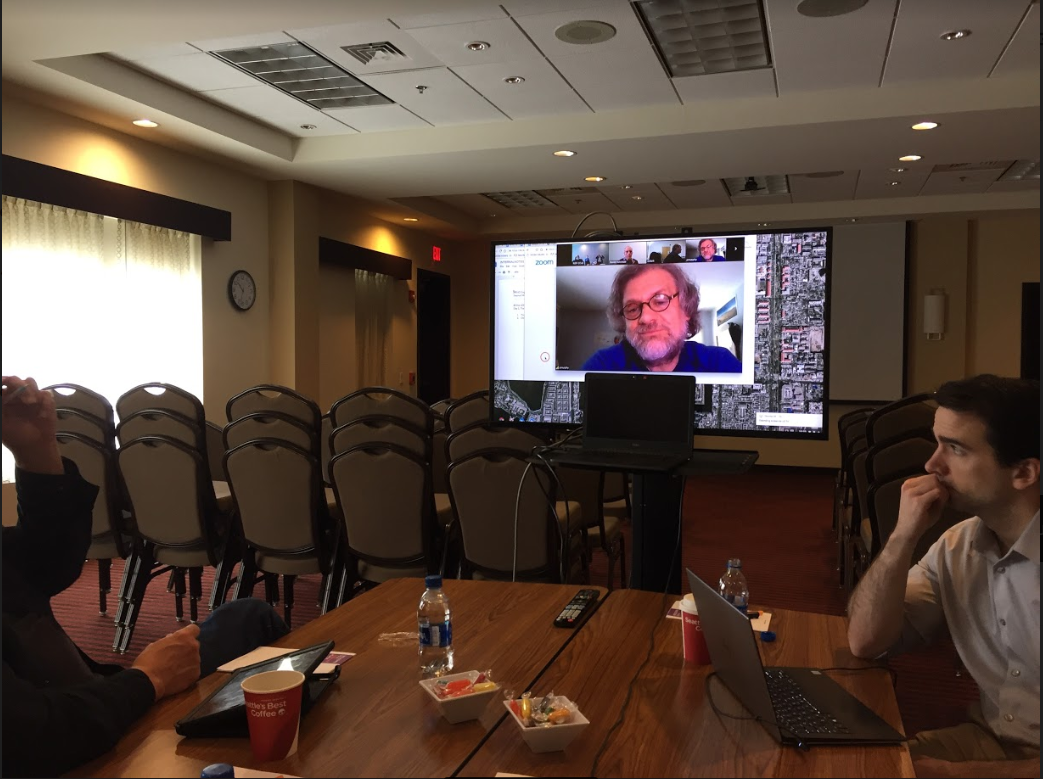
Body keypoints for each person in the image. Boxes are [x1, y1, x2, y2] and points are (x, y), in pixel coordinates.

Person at [2, 376, 291, 778]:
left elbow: (47, 567)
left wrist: (36, 449)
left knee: (249, 617)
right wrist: (150, 679)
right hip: (84, 731)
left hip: (99, 692)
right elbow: (34, 737)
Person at [847, 375, 1040, 779]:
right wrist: (902, 537)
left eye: (956, 449)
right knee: (842, 766)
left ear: (1023, 473)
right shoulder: (957, 546)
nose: (932, 465)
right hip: (989, 740)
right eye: (937, 443)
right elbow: (866, 641)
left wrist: (957, 774)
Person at [581, 265, 742, 373]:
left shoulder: (719, 364)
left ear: (686, 309)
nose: (645, 318)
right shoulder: (602, 366)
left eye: (660, 301)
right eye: (632, 308)